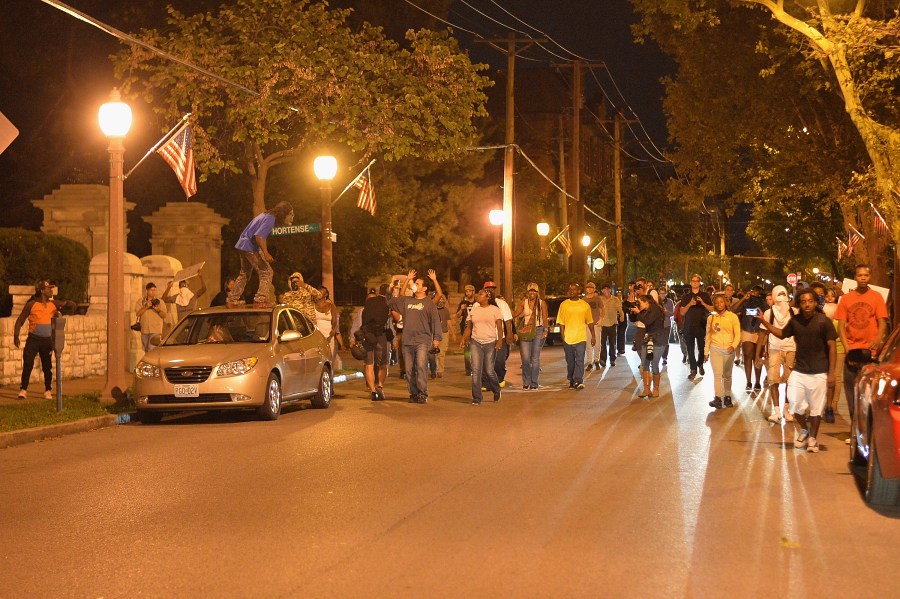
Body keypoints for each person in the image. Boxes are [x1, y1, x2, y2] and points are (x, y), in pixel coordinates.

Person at [757, 288, 837, 453]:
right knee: (794, 405)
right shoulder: (795, 321)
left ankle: (813, 439)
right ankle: (804, 429)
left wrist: (832, 372)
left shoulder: (824, 321)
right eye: (803, 301)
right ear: (799, 303)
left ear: (815, 302)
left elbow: (832, 347)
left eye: (810, 301)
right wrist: (764, 322)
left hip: (819, 371)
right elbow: (781, 334)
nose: (807, 304)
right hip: (799, 371)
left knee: (816, 409)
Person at [835, 265, 889, 437]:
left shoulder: (877, 297)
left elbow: (882, 322)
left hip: (870, 352)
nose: (863, 278)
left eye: (866, 275)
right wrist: (847, 347)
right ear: (855, 277)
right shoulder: (846, 299)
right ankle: (854, 430)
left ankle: (869, 430)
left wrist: (877, 340)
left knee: (870, 391)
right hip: (853, 351)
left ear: (869, 276)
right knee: (851, 391)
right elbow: (841, 325)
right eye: (860, 275)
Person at [13, 280, 75, 400]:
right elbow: (20, 320)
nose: (50, 290)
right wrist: (16, 336)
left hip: (47, 341)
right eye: (48, 289)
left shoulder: (53, 304)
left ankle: (47, 390)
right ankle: (23, 390)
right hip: (33, 340)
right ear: (42, 291)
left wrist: (70, 304)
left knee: (47, 366)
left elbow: (65, 303)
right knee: (28, 364)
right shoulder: (31, 304)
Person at [390, 269, 443, 403]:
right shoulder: (408, 301)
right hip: (407, 341)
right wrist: (408, 279)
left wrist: (436, 339)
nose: (415, 286)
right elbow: (401, 296)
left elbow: (436, 318)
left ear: (424, 288)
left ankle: (422, 393)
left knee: (420, 366)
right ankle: (413, 393)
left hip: (422, 341)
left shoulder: (429, 303)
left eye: (418, 284)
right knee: (408, 370)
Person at [228, 201, 294, 307]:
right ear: (284, 213)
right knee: (267, 272)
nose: (292, 217)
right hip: (250, 247)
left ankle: (231, 300)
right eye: (291, 214)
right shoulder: (270, 219)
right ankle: (260, 300)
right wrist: (266, 253)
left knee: (244, 273)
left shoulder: (266, 215)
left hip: (242, 244)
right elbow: (259, 236)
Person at [758, 285, 798, 423]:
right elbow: (762, 334)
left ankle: (786, 409)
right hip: (774, 348)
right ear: (774, 297)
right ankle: (776, 411)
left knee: (790, 380)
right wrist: (759, 354)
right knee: (773, 379)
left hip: (791, 348)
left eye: (783, 293)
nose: (781, 296)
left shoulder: (794, 312)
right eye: (778, 294)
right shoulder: (769, 313)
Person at [460, 288, 503, 404]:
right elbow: (469, 327)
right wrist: (464, 339)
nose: (478, 296)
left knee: (489, 370)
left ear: (488, 297)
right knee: (476, 370)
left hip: (490, 342)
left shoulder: (495, 310)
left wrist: (499, 341)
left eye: (481, 294)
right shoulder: (474, 310)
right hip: (476, 342)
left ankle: (496, 389)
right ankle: (477, 397)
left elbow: (499, 327)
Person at [704, 293, 741, 409]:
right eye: (716, 302)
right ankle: (718, 398)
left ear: (725, 303)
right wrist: (706, 352)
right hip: (716, 349)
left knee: (727, 375)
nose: (719, 304)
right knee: (717, 374)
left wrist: (734, 345)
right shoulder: (711, 317)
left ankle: (727, 396)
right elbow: (708, 335)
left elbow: (738, 334)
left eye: (721, 302)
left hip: (729, 350)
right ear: (714, 304)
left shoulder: (732, 317)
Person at [556, 283, 596, 390]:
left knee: (580, 359)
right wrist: (563, 337)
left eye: (574, 289)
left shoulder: (584, 305)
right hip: (568, 338)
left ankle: (578, 380)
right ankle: (571, 379)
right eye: (570, 289)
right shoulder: (564, 305)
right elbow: (561, 323)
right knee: (570, 361)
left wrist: (593, 336)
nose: (572, 291)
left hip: (581, 338)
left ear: (579, 291)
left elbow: (590, 321)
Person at [512, 282, 549, 389]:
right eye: (530, 291)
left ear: (537, 292)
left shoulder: (542, 303)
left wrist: (545, 330)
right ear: (528, 292)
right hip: (526, 331)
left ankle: (534, 382)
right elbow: (515, 314)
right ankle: (526, 381)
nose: (532, 293)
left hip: (538, 330)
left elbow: (545, 317)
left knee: (535, 358)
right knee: (525, 358)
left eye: (534, 291)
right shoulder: (524, 302)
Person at [732, 285, 768, 392]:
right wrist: (743, 298)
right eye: (751, 292)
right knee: (747, 355)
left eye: (755, 293)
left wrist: (756, 311)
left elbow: (765, 315)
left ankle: (757, 381)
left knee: (757, 358)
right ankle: (748, 381)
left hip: (759, 332)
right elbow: (733, 309)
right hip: (747, 331)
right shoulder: (745, 302)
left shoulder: (764, 304)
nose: (752, 294)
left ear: (760, 294)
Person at [631, 294, 667, 398]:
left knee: (655, 363)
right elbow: (634, 319)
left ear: (647, 302)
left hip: (658, 339)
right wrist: (633, 312)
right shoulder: (644, 311)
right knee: (644, 363)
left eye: (640, 302)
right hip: (647, 338)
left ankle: (656, 389)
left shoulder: (655, 309)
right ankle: (646, 389)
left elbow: (647, 321)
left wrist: (639, 312)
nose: (639, 305)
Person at [679, 274, 713, 380]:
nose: (694, 283)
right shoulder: (686, 296)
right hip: (689, 325)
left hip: (701, 325)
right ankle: (693, 369)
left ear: (699, 283)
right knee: (690, 348)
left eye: (697, 281)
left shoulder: (705, 295)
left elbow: (712, 309)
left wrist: (702, 303)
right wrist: (689, 304)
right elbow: (682, 312)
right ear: (691, 282)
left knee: (701, 348)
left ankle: (700, 364)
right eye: (693, 281)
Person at [360, 286, 390, 401]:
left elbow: (363, 319)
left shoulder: (369, 303)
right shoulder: (388, 303)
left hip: (368, 335)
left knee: (369, 364)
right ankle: (379, 387)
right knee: (383, 364)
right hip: (380, 335)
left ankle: (373, 390)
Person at [482, 281, 514, 387]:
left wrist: (509, 334)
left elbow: (508, 320)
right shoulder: (478, 304)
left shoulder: (502, 304)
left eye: (492, 289)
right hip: (484, 338)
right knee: (485, 362)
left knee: (500, 360)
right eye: (488, 289)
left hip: (499, 338)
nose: (490, 291)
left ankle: (499, 378)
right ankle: (486, 382)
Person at [822, 287, 844, 423]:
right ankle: (824, 403)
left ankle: (833, 405)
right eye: (827, 296)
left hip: (840, 347)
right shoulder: (821, 311)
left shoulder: (841, 311)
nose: (829, 298)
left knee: (836, 377)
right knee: (824, 377)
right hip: (824, 348)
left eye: (832, 295)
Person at [134, 282, 168, 353]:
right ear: (147, 291)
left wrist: (158, 310)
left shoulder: (160, 302)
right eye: (151, 290)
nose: (153, 292)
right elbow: (138, 314)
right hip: (145, 330)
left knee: (151, 348)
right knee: (147, 349)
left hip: (156, 330)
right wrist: (146, 307)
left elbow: (164, 315)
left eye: (154, 290)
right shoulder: (141, 301)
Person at [315, 286, 343, 370]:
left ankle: (330, 379)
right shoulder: (313, 305)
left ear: (326, 294)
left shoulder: (331, 306)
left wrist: (333, 330)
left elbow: (334, 320)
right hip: (317, 337)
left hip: (329, 337)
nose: (319, 292)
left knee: (329, 360)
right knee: (319, 361)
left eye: (321, 291)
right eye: (318, 291)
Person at [597, 283, 623, 368]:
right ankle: (603, 359)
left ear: (610, 290)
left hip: (612, 323)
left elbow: (620, 309)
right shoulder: (600, 299)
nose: (606, 291)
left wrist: (622, 316)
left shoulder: (615, 299)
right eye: (604, 289)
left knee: (612, 343)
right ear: (602, 291)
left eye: (608, 289)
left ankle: (612, 359)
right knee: (602, 343)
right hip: (603, 324)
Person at [455, 284, 477, 376]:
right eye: (466, 291)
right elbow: (457, 315)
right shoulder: (463, 303)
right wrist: (461, 309)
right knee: (467, 350)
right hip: (466, 328)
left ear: (473, 292)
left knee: (476, 349)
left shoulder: (477, 303)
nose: (467, 293)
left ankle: (476, 368)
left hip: (476, 328)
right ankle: (468, 370)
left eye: (469, 291)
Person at [583, 282, 604, 371]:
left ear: (594, 289)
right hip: (587, 324)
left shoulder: (597, 299)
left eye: (592, 287)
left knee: (597, 344)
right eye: (588, 287)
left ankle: (596, 360)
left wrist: (601, 319)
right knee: (588, 344)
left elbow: (602, 309)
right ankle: (589, 362)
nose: (590, 289)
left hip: (596, 324)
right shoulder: (583, 300)